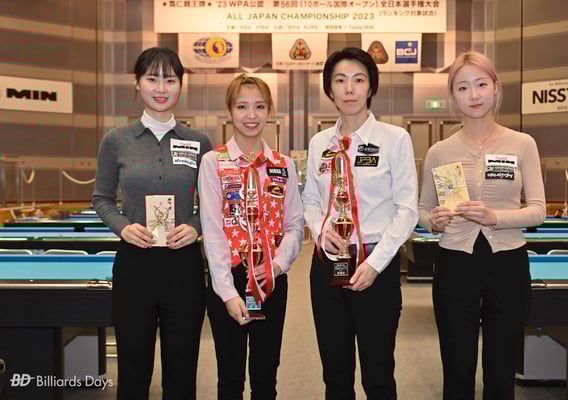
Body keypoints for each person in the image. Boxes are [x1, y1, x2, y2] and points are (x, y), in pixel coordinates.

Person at [418, 51, 546, 400]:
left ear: (496, 88)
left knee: (501, 369)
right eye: (462, 88)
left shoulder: (522, 144)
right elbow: (422, 210)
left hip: (507, 262)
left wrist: (495, 217)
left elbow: (538, 211)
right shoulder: (439, 151)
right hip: (455, 263)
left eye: (481, 84)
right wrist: (433, 221)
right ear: (453, 96)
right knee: (457, 368)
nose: (473, 95)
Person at [93, 47, 212, 399]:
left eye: (170, 80)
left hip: (184, 266)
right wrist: (123, 227)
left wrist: (195, 227)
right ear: (137, 83)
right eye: (152, 79)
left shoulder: (199, 142)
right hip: (135, 266)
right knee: (133, 372)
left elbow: (212, 204)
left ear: (181, 86)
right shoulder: (116, 141)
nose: (161, 88)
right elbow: (101, 199)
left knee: (182, 371)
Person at [302, 47, 419, 399]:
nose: (349, 89)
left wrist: (376, 264)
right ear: (329, 88)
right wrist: (321, 232)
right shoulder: (320, 143)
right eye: (340, 80)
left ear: (371, 87)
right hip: (327, 266)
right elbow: (310, 201)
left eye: (358, 80)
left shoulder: (394, 139)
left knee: (378, 374)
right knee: (335, 375)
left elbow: (407, 210)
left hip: (376, 267)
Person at [199, 74, 304, 399]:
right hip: (228, 278)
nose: (251, 115)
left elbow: (295, 225)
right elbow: (212, 230)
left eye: (259, 106)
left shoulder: (283, 165)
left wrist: (277, 265)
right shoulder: (213, 162)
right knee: (230, 378)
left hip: (271, 278)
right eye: (242, 106)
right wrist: (227, 293)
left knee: (265, 377)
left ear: (270, 111)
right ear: (229, 111)